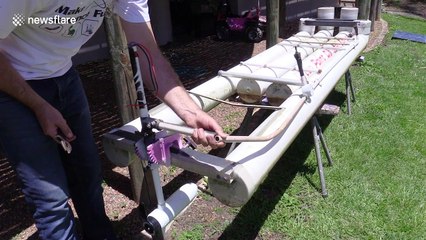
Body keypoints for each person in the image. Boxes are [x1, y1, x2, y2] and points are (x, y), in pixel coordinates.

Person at [0, 1, 226, 239]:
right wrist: (38, 105)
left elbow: (147, 53)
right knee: (50, 198)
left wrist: (190, 113)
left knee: (87, 174)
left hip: (64, 75)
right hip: (13, 85)